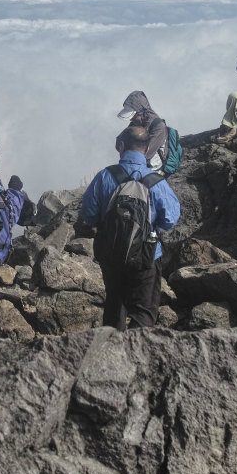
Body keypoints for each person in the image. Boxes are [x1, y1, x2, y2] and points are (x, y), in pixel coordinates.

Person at [79, 124, 182, 330]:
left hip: (111, 253)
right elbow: (170, 219)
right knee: (144, 311)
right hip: (146, 254)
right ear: (147, 149)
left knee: (114, 308)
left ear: (121, 146)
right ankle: (138, 355)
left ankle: (111, 354)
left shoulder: (105, 176)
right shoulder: (156, 181)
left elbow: (88, 215)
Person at [115, 90, 169, 169]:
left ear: (140, 112)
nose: (131, 120)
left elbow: (145, 153)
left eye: (133, 116)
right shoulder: (137, 122)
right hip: (134, 164)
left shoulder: (158, 127)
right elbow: (119, 141)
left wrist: (126, 150)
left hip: (152, 168)